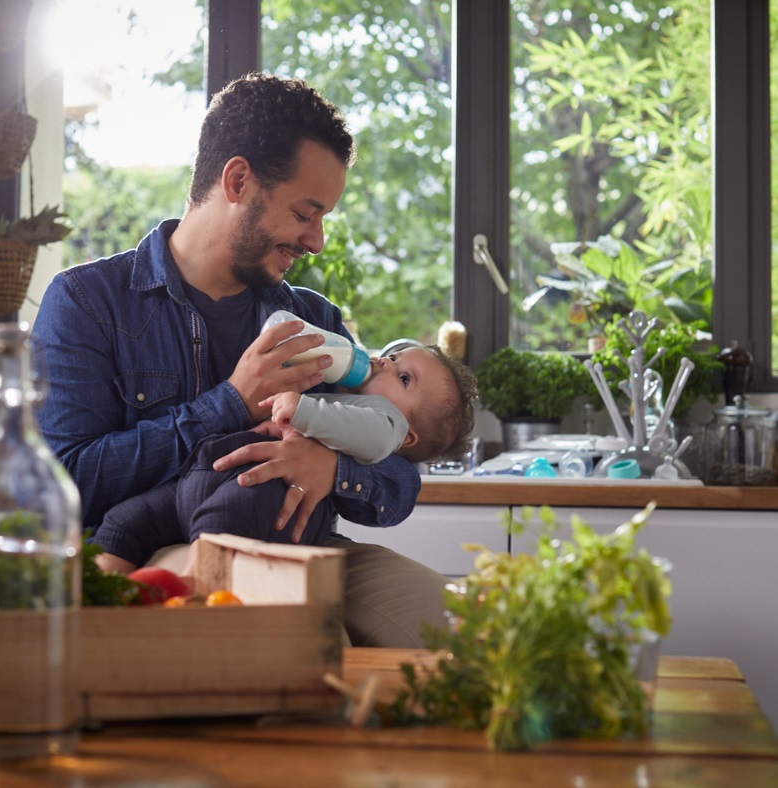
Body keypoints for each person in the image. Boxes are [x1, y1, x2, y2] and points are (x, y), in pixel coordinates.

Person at [32, 71, 458, 646]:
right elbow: (66, 481)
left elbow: (400, 475)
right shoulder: (88, 301)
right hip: (143, 542)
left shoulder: (316, 321)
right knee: (310, 644)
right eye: (306, 213)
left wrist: (334, 471)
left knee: (458, 629)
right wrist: (231, 402)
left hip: (300, 547)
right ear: (238, 181)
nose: (317, 241)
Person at [91, 341, 477, 573]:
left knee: (222, 525)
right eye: (392, 356)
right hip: (201, 477)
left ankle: (194, 595)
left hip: (259, 497)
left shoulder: (384, 421)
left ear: (407, 436)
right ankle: (99, 596)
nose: (385, 363)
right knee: (125, 520)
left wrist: (308, 422)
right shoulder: (343, 384)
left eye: (403, 377)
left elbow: (374, 443)